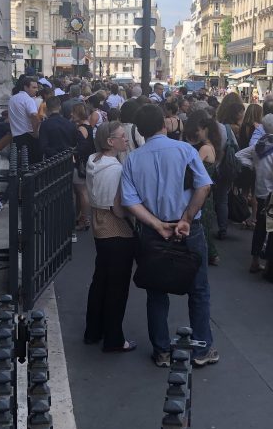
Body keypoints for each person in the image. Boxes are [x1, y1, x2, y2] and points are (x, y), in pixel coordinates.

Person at [121, 104, 218, 368]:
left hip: (154, 230)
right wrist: (186, 218)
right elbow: (203, 186)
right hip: (188, 228)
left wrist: (156, 224)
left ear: (140, 131)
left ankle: (162, 350)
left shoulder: (133, 159)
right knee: (199, 289)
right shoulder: (185, 150)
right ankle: (201, 349)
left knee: (156, 291)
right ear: (164, 124)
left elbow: (130, 200)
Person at [84, 122, 136, 352]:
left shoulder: (93, 161)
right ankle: (114, 337)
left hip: (99, 222)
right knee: (117, 285)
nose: (126, 139)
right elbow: (118, 208)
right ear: (110, 141)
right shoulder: (115, 169)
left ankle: (93, 330)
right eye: (122, 136)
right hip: (116, 226)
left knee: (101, 280)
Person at [237, 113, 273, 273]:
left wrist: (253, 166)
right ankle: (271, 264)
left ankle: (255, 260)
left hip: (260, 190)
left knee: (260, 227)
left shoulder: (259, 144)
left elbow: (239, 155)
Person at [183, 111, 223, 266]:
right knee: (205, 225)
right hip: (208, 193)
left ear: (205, 129)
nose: (196, 134)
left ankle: (206, 256)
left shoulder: (204, 149)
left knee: (202, 226)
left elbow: (193, 167)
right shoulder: (212, 146)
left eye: (198, 131)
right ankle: (211, 255)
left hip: (202, 193)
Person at [214, 93, 245, 239]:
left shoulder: (217, 126)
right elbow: (237, 149)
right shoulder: (235, 129)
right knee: (222, 199)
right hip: (227, 167)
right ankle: (223, 228)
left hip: (212, 165)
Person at [8, 75, 42, 162]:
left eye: (37, 87)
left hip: (16, 137)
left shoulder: (12, 99)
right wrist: (36, 133)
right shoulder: (29, 100)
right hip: (28, 137)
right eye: (33, 87)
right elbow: (34, 116)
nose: (36, 90)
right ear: (26, 87)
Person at [71, 102, 93, 231]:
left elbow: (82, 147)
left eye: (74, 112)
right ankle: (80, 217)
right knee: (81, 192)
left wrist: (74, 152)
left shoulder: (81, 129)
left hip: (81, 164)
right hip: (86, 163)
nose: (71, 114)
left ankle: (85, 219)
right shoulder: (87, 126)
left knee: (82, 192)